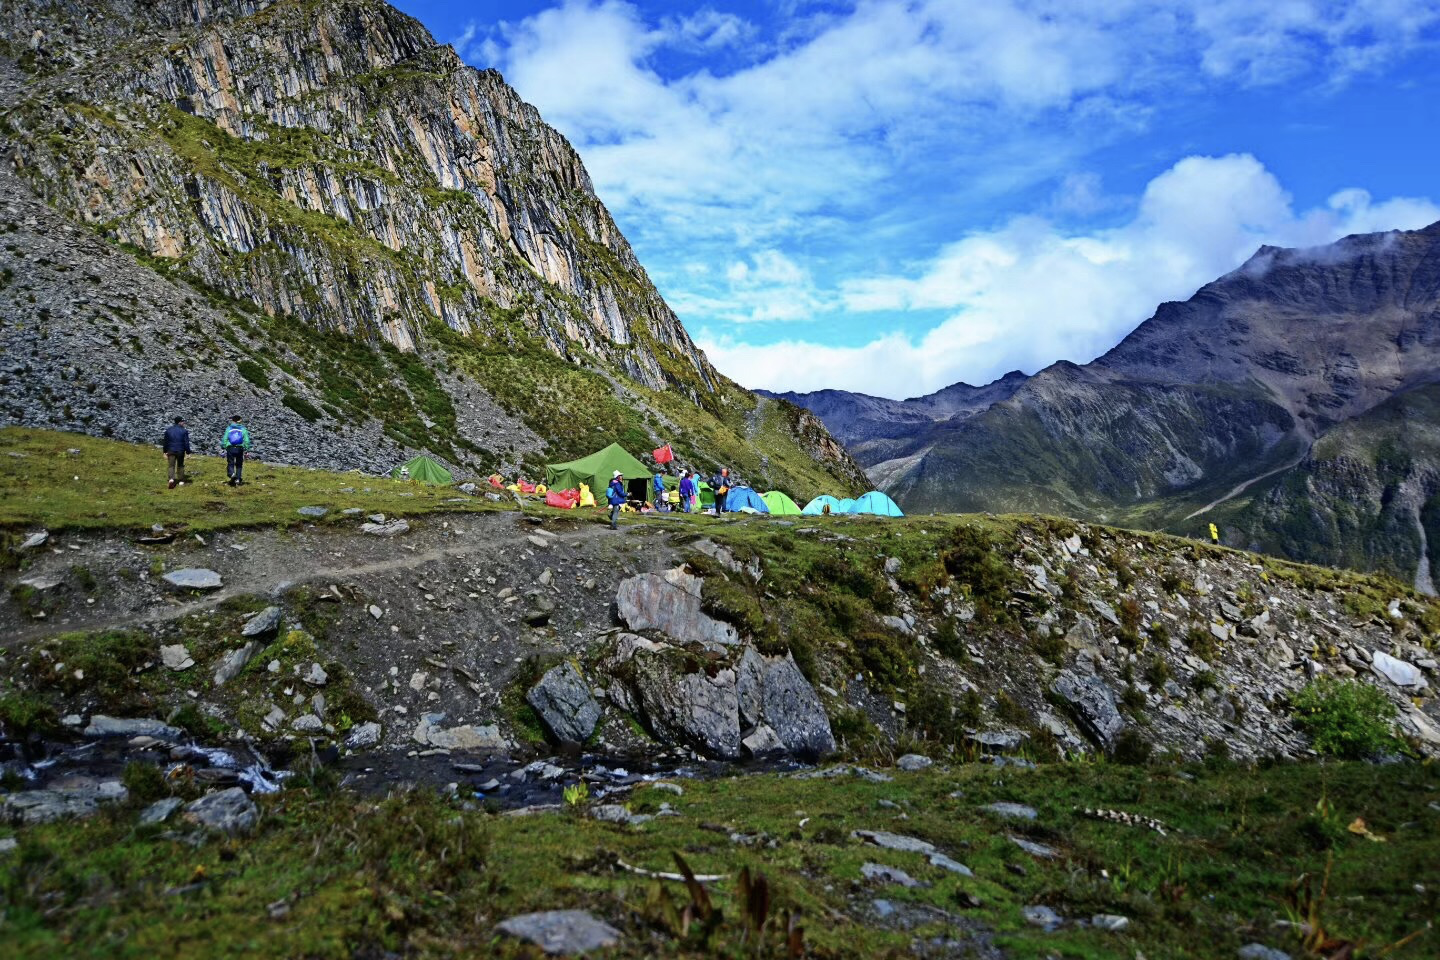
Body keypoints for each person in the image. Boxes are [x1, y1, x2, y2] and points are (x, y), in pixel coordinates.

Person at [221, 414, 251, 487]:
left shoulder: (229, 428)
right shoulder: (243, 429)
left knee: (230, 462)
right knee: (239, 464)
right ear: (239, 421)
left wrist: (223, 446)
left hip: (230, 448)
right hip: (239, 448)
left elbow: (225, 438)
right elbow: (246, 440)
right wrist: (247, 449)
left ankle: (231, 474)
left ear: (233, 420)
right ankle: (238, 479)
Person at [161, 416, 191, 489]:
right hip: (180, 450)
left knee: (171, 465)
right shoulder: (184, 431)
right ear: (179, 422)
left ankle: (171, 479)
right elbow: (186, 443)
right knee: (180, 465)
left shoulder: (168, 430)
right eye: (183, 421)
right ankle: (180, 480)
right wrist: (188, 452)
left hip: (170, 450)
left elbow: (165, 442)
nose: (184, 423)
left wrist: (165, 451)